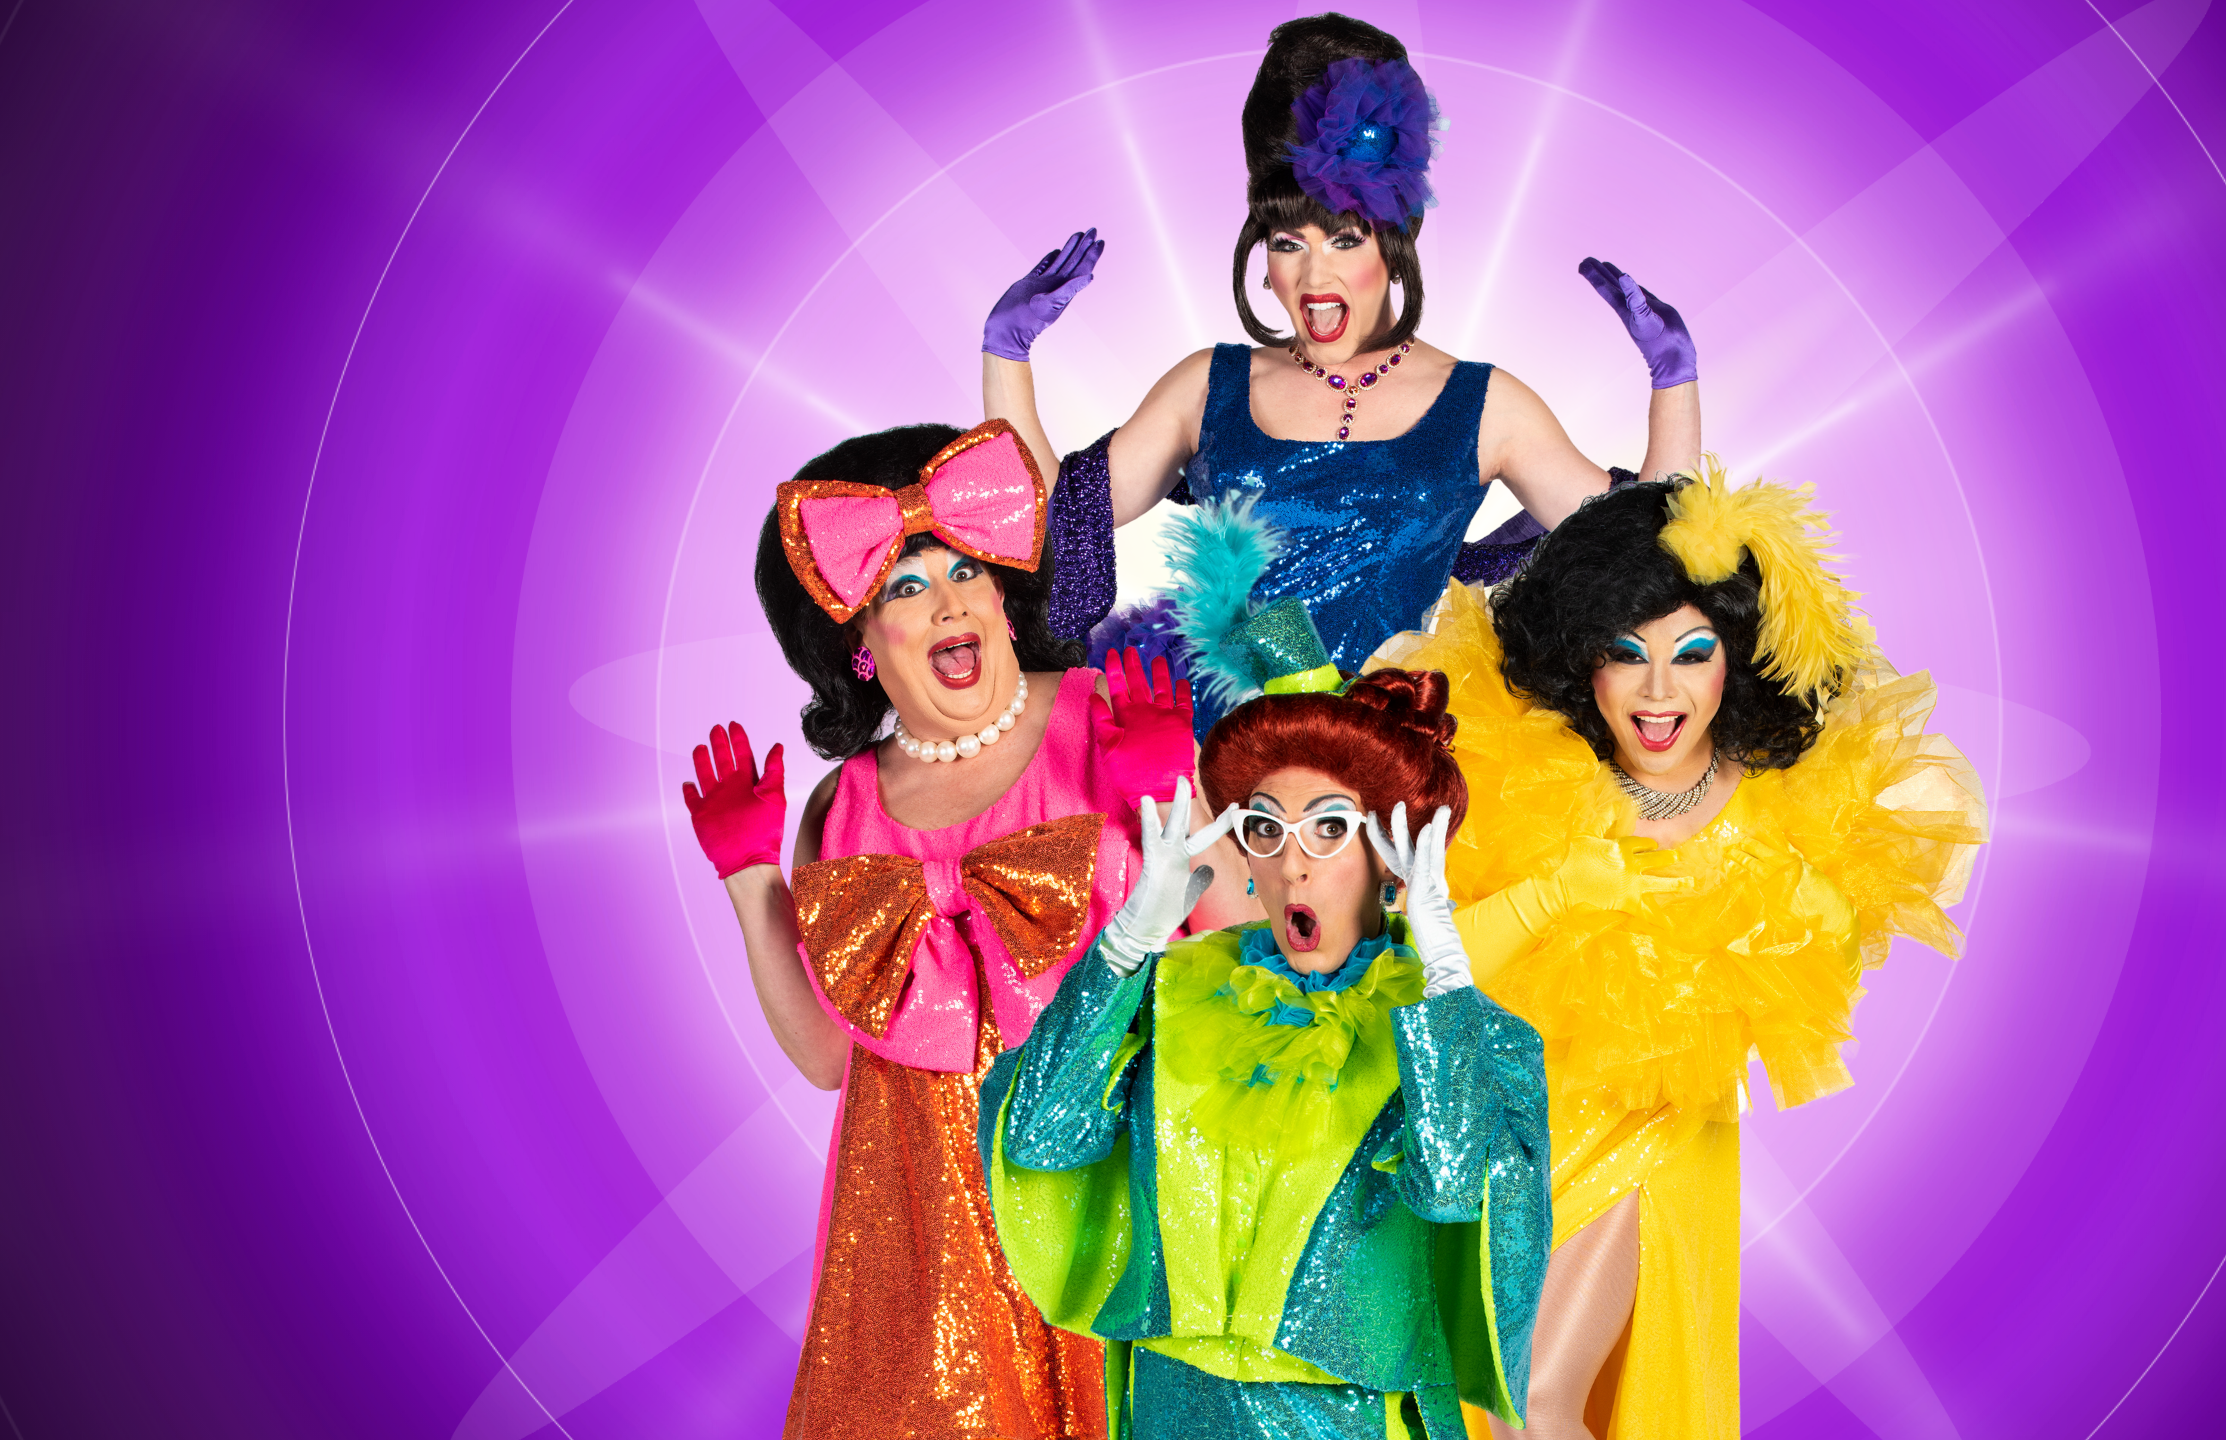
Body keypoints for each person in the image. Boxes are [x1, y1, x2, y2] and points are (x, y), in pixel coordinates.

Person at [1372, 464, 1990, 1440]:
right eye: (1627, 653)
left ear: (1733, 664)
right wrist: (1551, 892)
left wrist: (1790, 910)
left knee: (1536, 1393)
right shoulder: (1517, 772)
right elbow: (1426, 965)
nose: (1658, 693)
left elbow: (1811, 961)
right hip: (1501, 1128)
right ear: (1584, 659)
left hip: (1650, 1134)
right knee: (1476, 1397)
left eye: (1691, 654)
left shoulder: (1790, 817)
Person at [678, 419, 1209, 1439]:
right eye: (904, 588)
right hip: (922, 1228)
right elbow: (832, 1057)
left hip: (1111, 1192)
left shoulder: (1116, 717)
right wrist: (751, 881)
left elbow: (1232, 961)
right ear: (858, 644)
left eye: (965, 567)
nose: (948, 599)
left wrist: (1175, 806)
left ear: (1006, 594)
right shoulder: (843, 809)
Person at [975, 503, 1552, 1439]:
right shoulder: (1172, 992)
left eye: (1331, 829)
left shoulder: (1476, 1037)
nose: (1292, 864)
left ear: (1396, 853)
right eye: (1264, 830)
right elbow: (1040, 1137)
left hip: (1350, 1421)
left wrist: (1438, 968)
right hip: (1174, 1408)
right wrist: (1125, 946)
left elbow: (1453, 1186)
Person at [977, 13, 1704, 699]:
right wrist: (1006, 353)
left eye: (1345, 240)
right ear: (1264, 258)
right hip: (1220, 753)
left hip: (1395, 752)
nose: (1315, 277)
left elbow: (1646, 551)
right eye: (1290, 244)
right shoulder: (1209, 387)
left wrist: (1674, 379)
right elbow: (1048, 519)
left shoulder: (1487, 405)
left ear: (1394, 249)